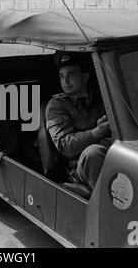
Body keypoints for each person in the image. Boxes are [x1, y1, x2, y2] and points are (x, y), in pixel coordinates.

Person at [46, 52, 111, 189]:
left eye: (71, 75)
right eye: (62, 76)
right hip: (78, 168)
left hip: (112, 152)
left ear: (85, 76)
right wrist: (95, 133)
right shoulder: (56, 105)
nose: (65, 81)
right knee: (93, 153)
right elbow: (65, 144)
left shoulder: (102, 97)